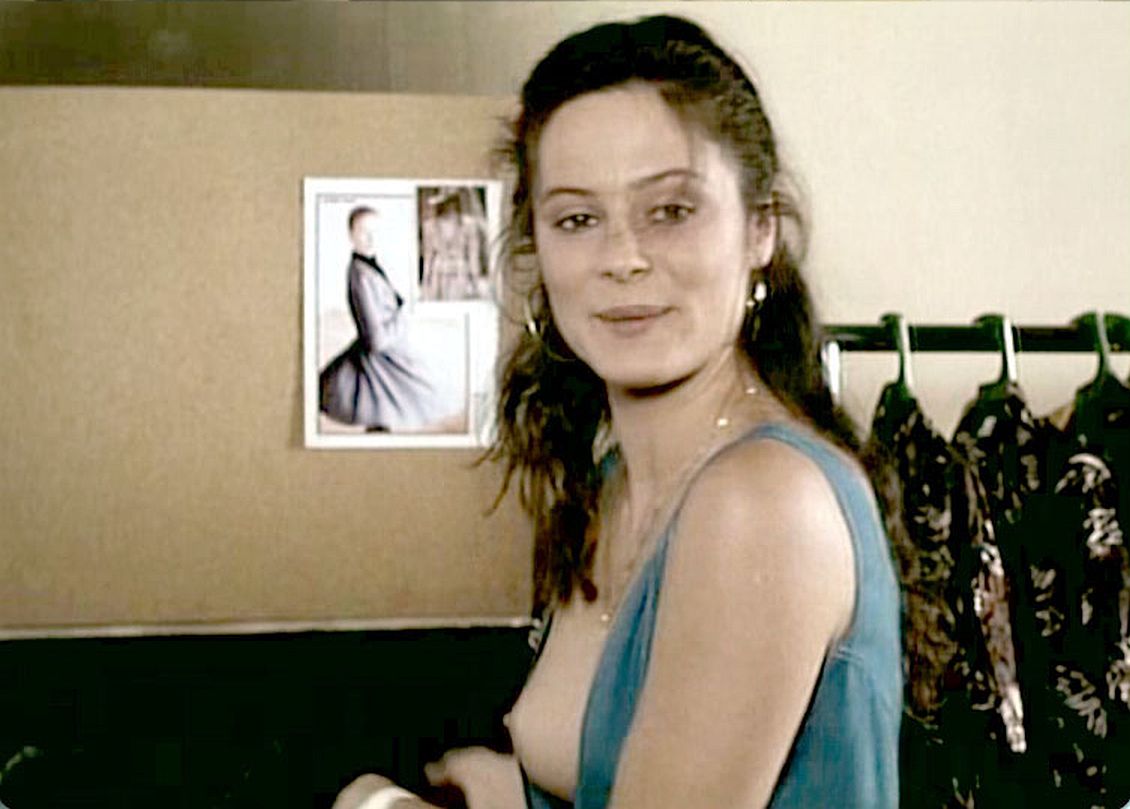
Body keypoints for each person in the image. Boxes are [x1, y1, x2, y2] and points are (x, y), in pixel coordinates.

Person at [335, 14, 902, 809]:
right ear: (537, 248)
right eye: (577, 219)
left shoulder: (762, 502)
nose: (622, 258)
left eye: (670, 211)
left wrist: (383, 808)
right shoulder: (612, 482)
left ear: (761, 230)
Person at [320, 206, 455, 432]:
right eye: (363, 232)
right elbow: (376, 340)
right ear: (351, 235)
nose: (371, 238)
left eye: (376, 232)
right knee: (413, 400)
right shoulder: (360, 276)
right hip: (382, 363)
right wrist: (405, 312)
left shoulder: (369, 265)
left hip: (391, 356)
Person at [421, 189, 486, 301]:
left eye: (450, 202)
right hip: (438, 274)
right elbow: (428, 257)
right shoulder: (429, 226)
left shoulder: (469, 225)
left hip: (460, 273)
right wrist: (425, 283)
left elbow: (473, 257)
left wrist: (476, 283)